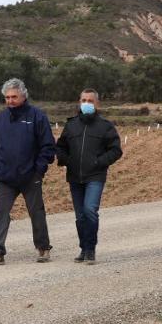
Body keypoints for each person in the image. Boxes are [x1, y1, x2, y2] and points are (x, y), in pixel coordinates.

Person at [0, 78, 56, 265]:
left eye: (14, 96)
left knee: (36, 212)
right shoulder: (0, 120)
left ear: (23, 95)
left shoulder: (37, 117)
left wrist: (39, 169)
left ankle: (43, 248)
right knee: (1, 213)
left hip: (31, 176)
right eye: (7, 97)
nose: (10, 101)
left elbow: (48, 146)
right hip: (5, 177)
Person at [55, 88, 122, 263]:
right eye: (84, 100)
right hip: (75, 176)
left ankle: (91, 249)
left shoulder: (105, 126)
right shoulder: (71, 125)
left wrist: (98, 162)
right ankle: (83, 248)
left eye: (90, 101)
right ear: (79, 101)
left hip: (95, 176)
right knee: (80, 216)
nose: (86, 104)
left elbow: (115, 150)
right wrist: (65, 160)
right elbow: (61, 146)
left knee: (90, 210)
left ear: (97, 104)